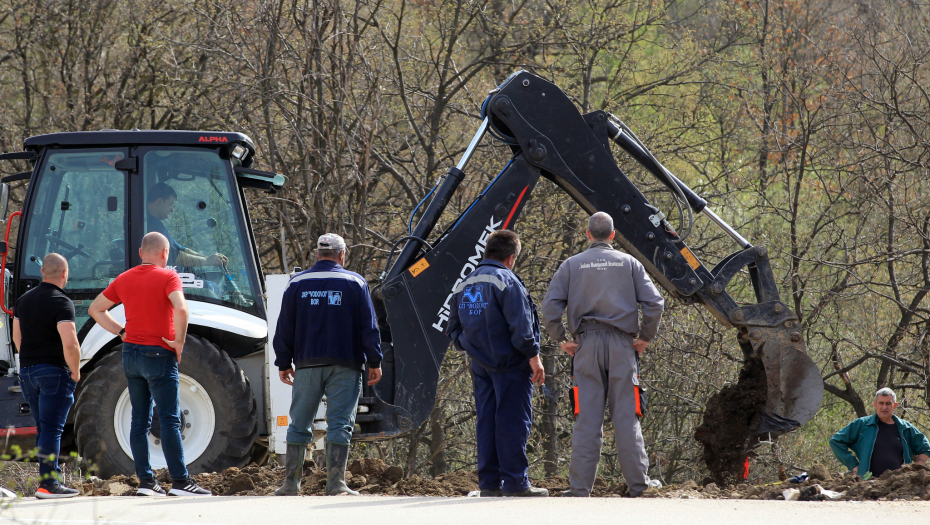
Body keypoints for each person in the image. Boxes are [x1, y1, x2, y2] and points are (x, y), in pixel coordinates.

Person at [540, 211, 664, 498]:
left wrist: (562, 340)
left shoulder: (571, 265)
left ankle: (579, 489)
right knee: (627, 417)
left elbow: (549, 310)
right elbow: (655, 304)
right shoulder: (629, 263)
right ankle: (638, 487)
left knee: (587, 418)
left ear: (587, 235)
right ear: (612, 235)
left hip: (585, 345)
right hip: (623, 345)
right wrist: (645, 337)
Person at [88, 232, 211, 497]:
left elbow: (96, 309)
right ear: (165, 253)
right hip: (159, 354)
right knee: (169, 420)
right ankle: (181, 482)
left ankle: (146, 482)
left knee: (139, 421)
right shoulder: (169, 277)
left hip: (130, 353)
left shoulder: (124, 278)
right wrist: (178, 342)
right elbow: (181, 309)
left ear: (141, 253)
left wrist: (121, 332)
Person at [273, 233, 382, 496]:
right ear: (342, 255)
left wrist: (283, 361)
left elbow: (285, 327)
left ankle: (290, 485)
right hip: (346, 364)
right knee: (340, 423)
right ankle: (336, 484)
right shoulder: (355, 282)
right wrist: (375, 360)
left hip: (308, 364)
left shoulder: (297, 283)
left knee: (299, 423)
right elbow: (369, 327)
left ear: (318, 254)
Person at [445, 229, 547, 498]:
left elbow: (452, 327)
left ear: (487, 251)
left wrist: (469, 347)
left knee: (487, 421)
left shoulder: (465, 282)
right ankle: (516, 483)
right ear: (511, 257)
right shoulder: (507, 281)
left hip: (480, 366)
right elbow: (521, 326)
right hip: (512, 365)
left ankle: (489, 484)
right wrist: (533, 356)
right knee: (513, 422)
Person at [13, 253, 81, 499]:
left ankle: (49, 481)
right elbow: (70, 343)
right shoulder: (61, 302)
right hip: (53, 371)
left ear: (42, 272)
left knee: (43, 428)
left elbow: (16, 338)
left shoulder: (23, 301)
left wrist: (30, 361)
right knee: (52, 429)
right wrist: (75, 370)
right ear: (65, 274)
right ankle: (49, 484)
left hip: (28, 371)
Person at [830, 388, 930, 477]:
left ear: (895, 405)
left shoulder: (905, 428)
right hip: (868, 484)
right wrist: (854, 465)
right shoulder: (862, 425)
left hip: (899, 484)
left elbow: (926, 447)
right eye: (881, 403)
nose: (884, 407)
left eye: (888, 403)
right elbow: (836, 441)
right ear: (875, 405)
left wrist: (917, 468)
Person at [146, 182, 227, 268]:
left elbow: (182, 250)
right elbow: (173, 256)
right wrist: (207, 261)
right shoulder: (150, 226)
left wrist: (210, 258)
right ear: (159, 202)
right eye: (170, 204)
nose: (172, 210)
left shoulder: (157, 224)